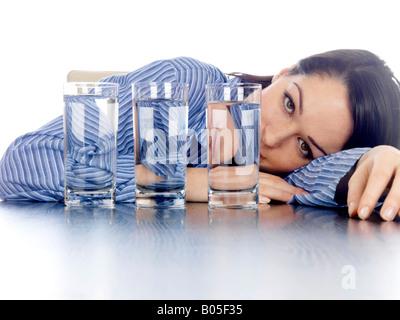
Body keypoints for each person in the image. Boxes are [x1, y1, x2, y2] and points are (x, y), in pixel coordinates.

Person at [1, 49, 400, 222]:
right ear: (283, 74)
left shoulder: (285, 174)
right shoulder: (181, 86)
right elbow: (23, 162)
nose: (271, 136)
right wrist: (185, 181)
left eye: (303, 146)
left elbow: (330, 181)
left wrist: (375, 157)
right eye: (289, 103)